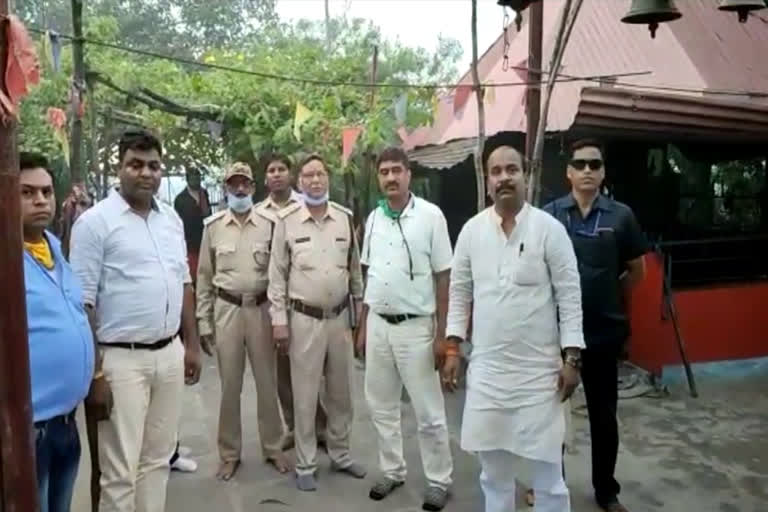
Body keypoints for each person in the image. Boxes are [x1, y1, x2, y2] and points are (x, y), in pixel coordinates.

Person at [442, 144, 584, 512]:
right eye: (496, 171)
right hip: (489, 373)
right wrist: (454, 349)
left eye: (511, 169)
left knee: (550, 479)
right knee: (493, 476)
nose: (504, 177)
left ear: (525, 175)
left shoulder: (549, 230)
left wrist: (572, 359)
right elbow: (459, 293)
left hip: (540, 376)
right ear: (487, 180)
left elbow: (570, 295)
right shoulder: (472, 232)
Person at [70, 129, 202, 512]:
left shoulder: (171, 220)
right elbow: (83, 305)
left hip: (169, 355)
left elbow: (184, 283)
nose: (146, 173)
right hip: (120, 362)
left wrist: (190, 344)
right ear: (120, 167)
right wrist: (95, 375)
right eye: (136, 165)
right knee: (119, 472)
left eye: (154, 166)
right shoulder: (95, 223)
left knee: (157, 461)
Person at [543, 139, 647, 512]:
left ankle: (606, 491)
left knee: (604, 418)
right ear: (568, 171)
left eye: (594, 164)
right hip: (555, 334)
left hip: (603, 332)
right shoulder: (550, 214)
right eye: (580, 164)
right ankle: (548, 485)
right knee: (551, 415)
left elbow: (637, 271)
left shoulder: (621, 216)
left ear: (603, 173)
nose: (587, 170)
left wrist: (606, 293)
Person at [355, 147, 454, 511]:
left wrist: (443, 335)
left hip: (417, 329)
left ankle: (439, 480)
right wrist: (364, 325)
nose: (391, 178)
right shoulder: (374, 219)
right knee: (381, 405)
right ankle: (392, 470)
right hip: (380, 325)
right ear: (379, 178)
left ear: (409, 175)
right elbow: (370, 275)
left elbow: (445, 278)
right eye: (384, 172)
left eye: (397, 170)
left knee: (428, 411)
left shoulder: (431, 217)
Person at [268, 154, 366, 491]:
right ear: (300, 182)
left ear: (328, 178)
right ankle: (306, 462)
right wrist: (279, 322)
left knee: (341, 393)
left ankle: (340, 454)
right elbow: (277, 276)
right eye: (308, 175)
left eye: (320, 174)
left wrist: (358, 319)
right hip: (303, 321)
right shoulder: (287, 220)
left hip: (339, 320)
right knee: (305, 395)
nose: (314, 181)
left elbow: (354, 274)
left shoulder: (344, 219)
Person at [196, 161, 291, 481]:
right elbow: (204, 279)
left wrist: (282, 317)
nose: (239, 189)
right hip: (227, 311)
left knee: (268, 383)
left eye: (244, 184)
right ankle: (229, 453)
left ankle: (274, 448)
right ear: (226, 188)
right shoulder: (213, 226)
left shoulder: (271, 223)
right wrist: (204, 323)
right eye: (233, 184)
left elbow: (280, 273)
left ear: (253, 187)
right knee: (230, 387)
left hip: (262, 310)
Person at [20, 152, 98, 512]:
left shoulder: (53, 247)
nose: (40, 200)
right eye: (27, 192)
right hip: (27, 430)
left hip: (65, 423)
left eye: (46, 192)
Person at [259, 153, 327, 450]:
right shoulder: (258, 213)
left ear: (291, 175)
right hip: (275, 304)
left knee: (319, 371)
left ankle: (322, 428)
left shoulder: (308, 204)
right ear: (265, 178)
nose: (276, 174)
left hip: (308, 304)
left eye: (281, 169)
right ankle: (293, 426)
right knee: (283, 372)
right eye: (271, 170)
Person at [174, 166, 211, 281]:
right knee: (194, 276)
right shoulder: (180, 199)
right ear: (187, 179)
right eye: (193, 177)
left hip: (206, 239)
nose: (196, 180)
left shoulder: (204, 193)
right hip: (190, 244)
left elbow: (208, 213)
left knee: (207, 273)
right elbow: (178, 224)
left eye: (198, 177)